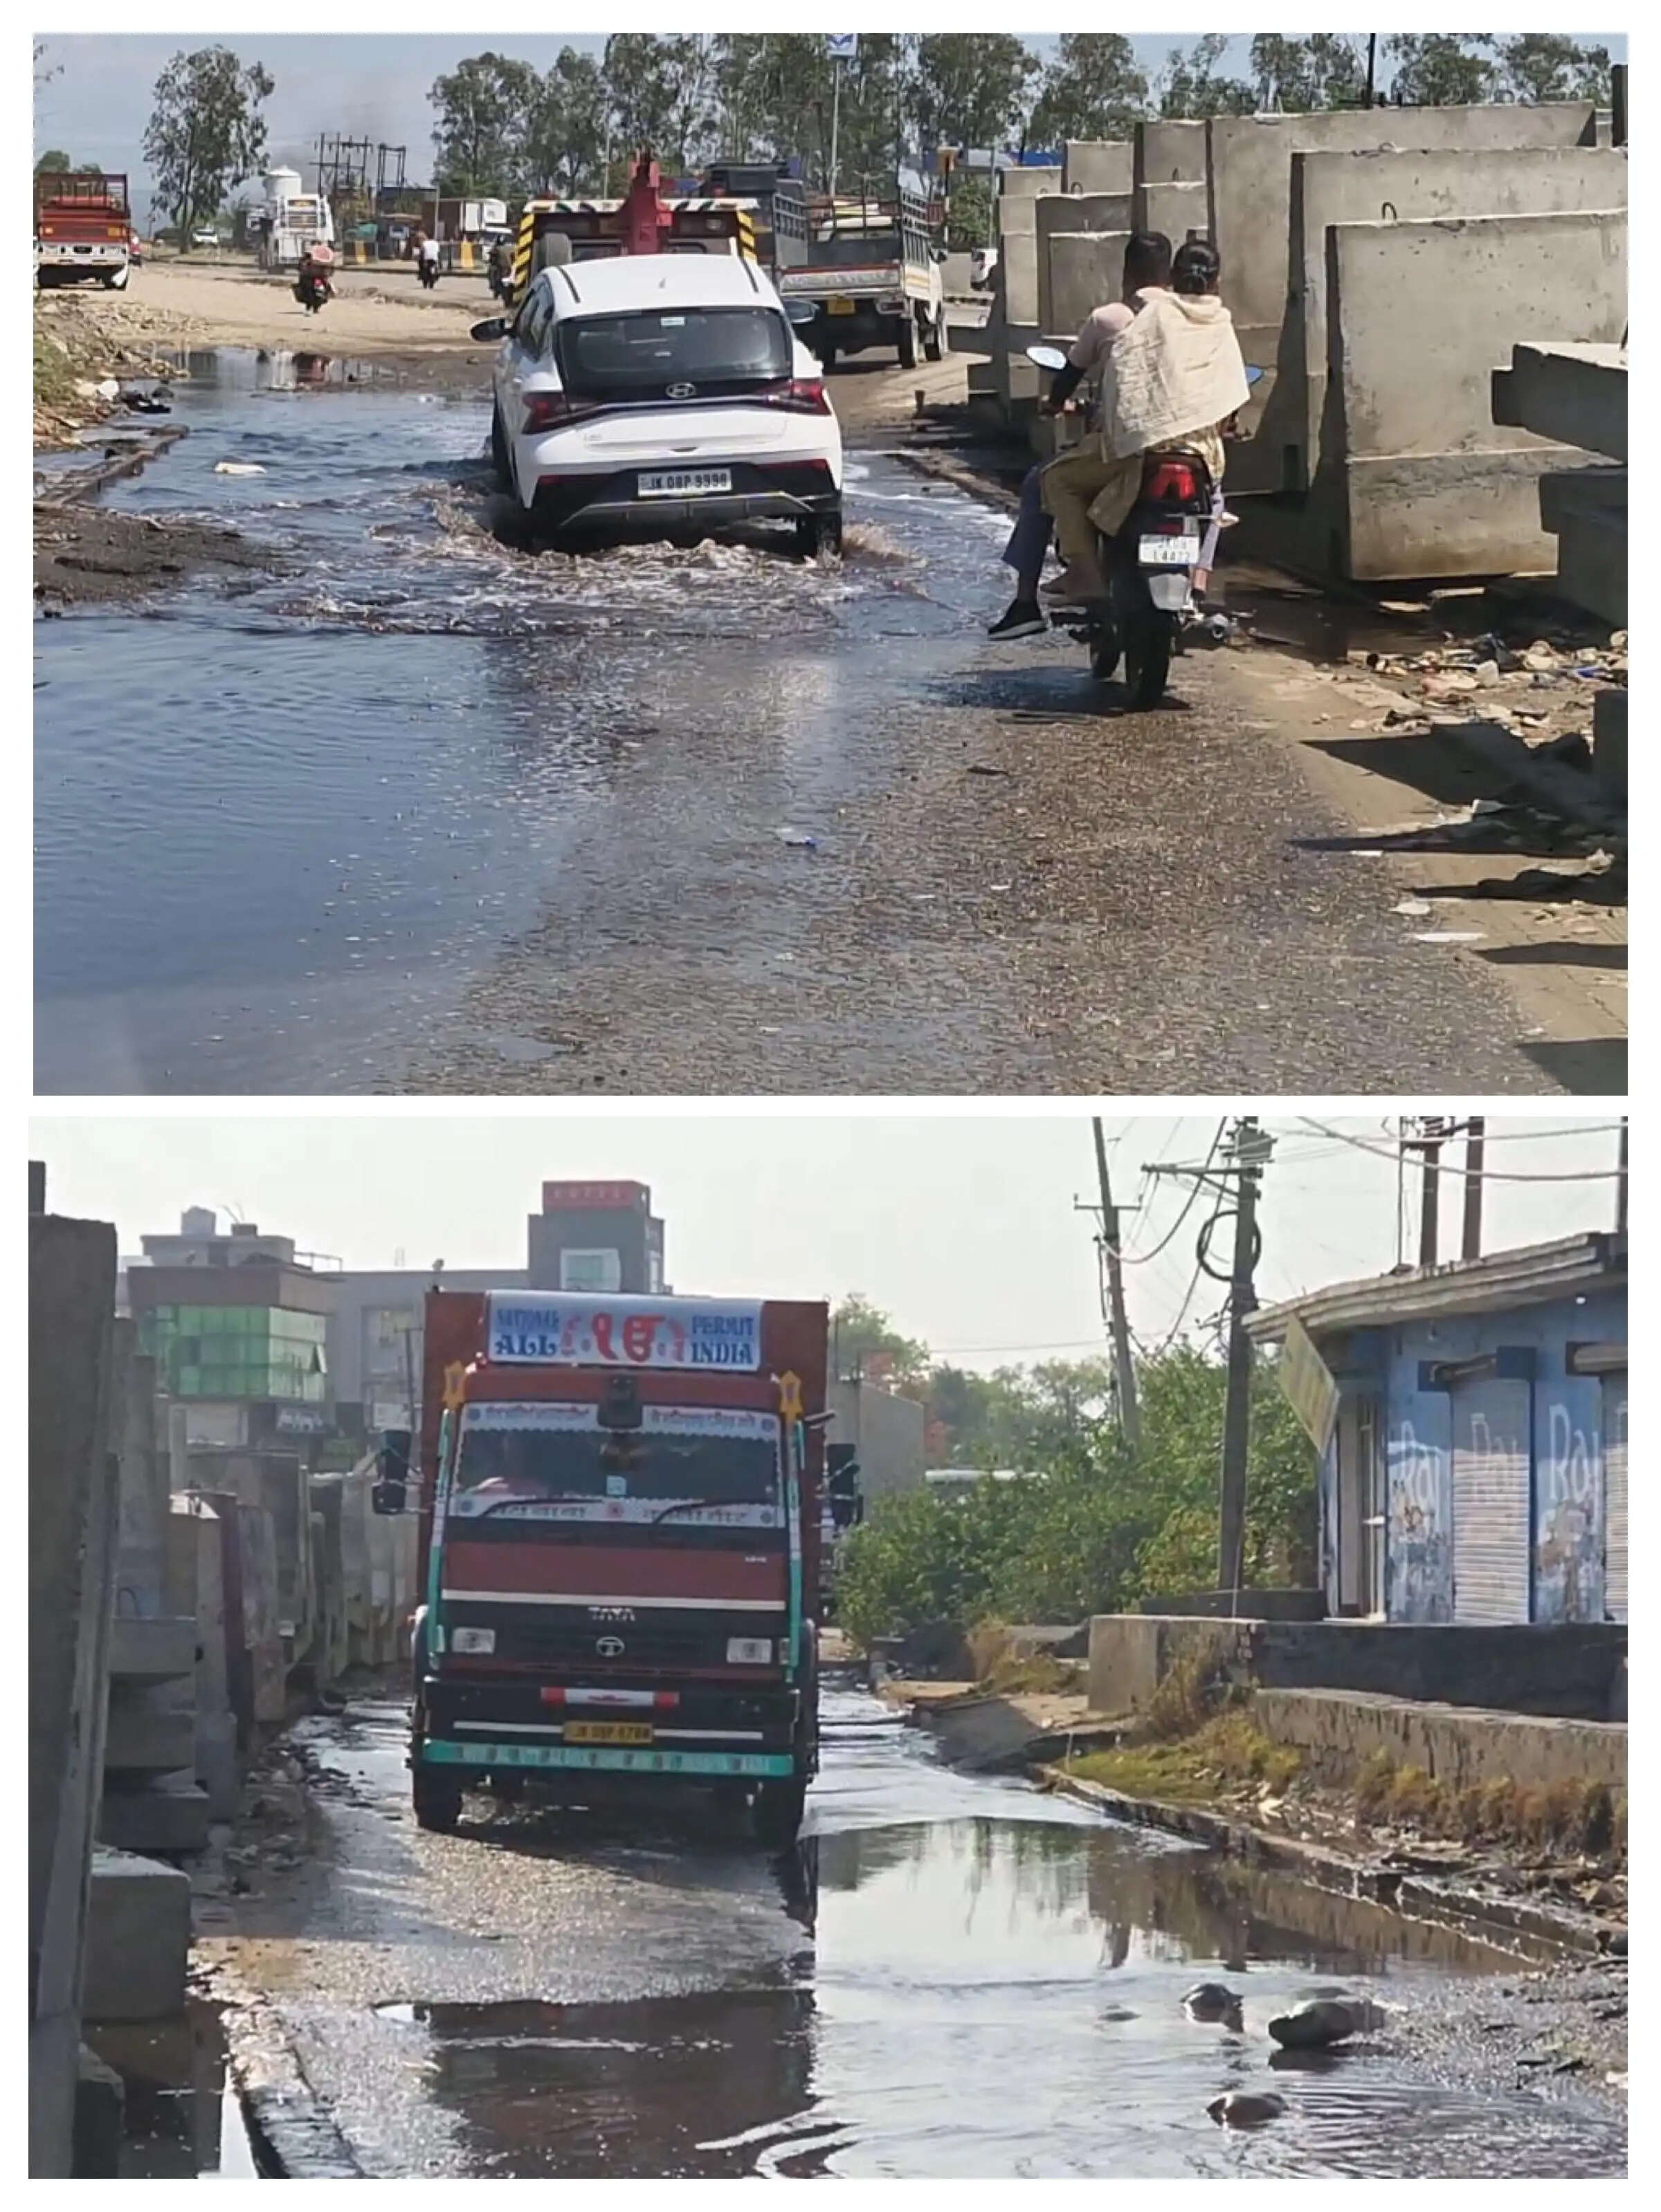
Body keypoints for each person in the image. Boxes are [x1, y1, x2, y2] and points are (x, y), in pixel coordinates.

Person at [987, 233, 1172, 640]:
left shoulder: (1110, 319)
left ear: (1127, 274)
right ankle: (1198, 583)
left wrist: (1054, 404)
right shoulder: (1191, 318)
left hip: (1127, 445)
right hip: (1186, 445)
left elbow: (1068, 379)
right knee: (1213, 500)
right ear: (1170, 275)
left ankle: (1042, 594)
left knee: (1047, 480)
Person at [1051, 236, 1247, 606]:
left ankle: (1085, 576)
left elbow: (1128, 375)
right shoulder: (1221, 322)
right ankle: (1200, 578)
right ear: (1217, 281)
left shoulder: (1155, 316)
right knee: (1215, 499)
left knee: (1058, 479)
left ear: (1174, 276)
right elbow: (1230, 386)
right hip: (1199, 452)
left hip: (1142, 443)